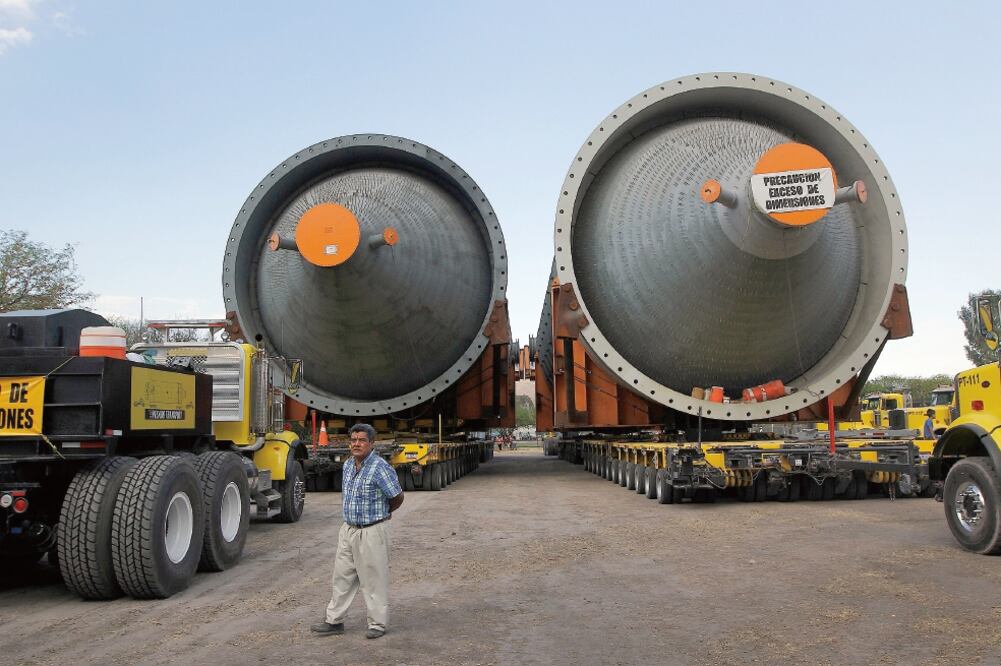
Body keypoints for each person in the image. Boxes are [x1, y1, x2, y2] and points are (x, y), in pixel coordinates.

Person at [312, 423, 404, 639]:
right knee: (341, 577)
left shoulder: (380, 467)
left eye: (362, 440)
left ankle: (377, 624)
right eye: (353, 440)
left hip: (372, 531)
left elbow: (397, 497)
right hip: (348, 530)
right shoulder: (347, 465)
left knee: (374, 579)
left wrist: (383, 513)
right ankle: (334, 621)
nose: (356, 444)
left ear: (371, 443)